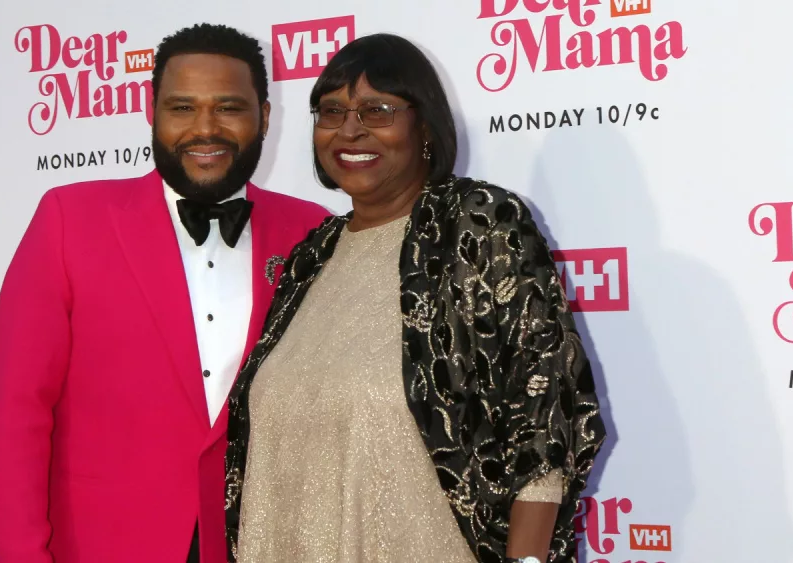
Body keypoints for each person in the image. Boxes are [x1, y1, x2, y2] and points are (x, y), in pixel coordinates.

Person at [224, 33, 606, 563]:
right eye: (331, 111)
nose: (350, 128)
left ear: (423, 125)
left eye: (377, 109)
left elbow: (546, 410)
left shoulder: (477, 224)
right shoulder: (312, 255)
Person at [0, 23, 329, 563]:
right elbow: (17, 418)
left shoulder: (313, 233)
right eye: (182, 108)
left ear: (265, 115)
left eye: (229, 108)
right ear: (151, 112)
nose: (205, 128)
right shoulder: (68, 222)